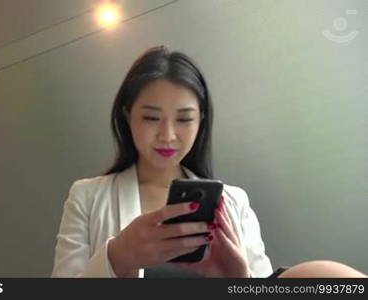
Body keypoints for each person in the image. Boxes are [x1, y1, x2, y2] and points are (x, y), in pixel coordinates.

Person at [51, 46, 366, 278]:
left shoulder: (233, 201)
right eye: (151, 118)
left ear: (201, 121)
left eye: (185, 119)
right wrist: (116, 258)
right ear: (126, 116)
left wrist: (239, 279)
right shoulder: (88, 197)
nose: (168, 135)